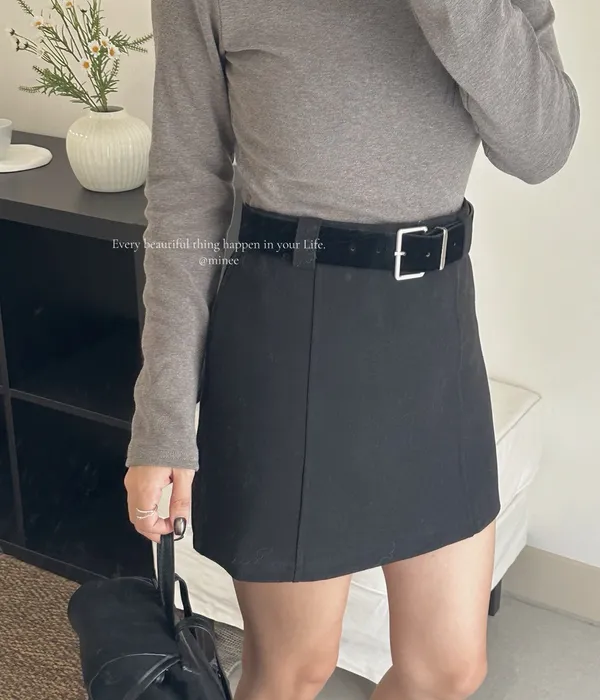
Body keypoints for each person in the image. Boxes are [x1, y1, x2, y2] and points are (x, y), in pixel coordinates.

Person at [124, 0, 580, 698]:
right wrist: (162, 419)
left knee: (449, 668)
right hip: (287, 335)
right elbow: (187, 190)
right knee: (293, 668)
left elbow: (542, 147)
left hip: (434, 330)